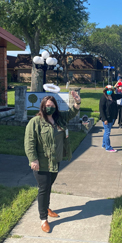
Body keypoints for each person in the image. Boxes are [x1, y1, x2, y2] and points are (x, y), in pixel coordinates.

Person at [24, 91, 81, 233]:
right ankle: (43, 219)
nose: (50, 107)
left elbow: (72, 113)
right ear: (42, 107)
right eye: (47, 105)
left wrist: (77, 102)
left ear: (56, 107)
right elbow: (29, 142)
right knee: (43, 188)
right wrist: (33, 159)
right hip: (41, 162)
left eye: (52, 105)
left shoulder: (60, 119)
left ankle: (46, 207)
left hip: (56, 161)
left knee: (49, 185)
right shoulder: (35, 122)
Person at [99, 85, 122, 152]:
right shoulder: (103, 98)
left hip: (112, 118)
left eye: (111, 90)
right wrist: (104, 119)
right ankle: (108, 147)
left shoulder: (113, 97)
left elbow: (121, 95)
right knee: (107, 132)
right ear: (105, 90)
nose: (109, 91)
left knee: (106, 132)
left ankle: (104, 144)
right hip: (106, 119)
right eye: (108, 90)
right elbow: (101, 110)